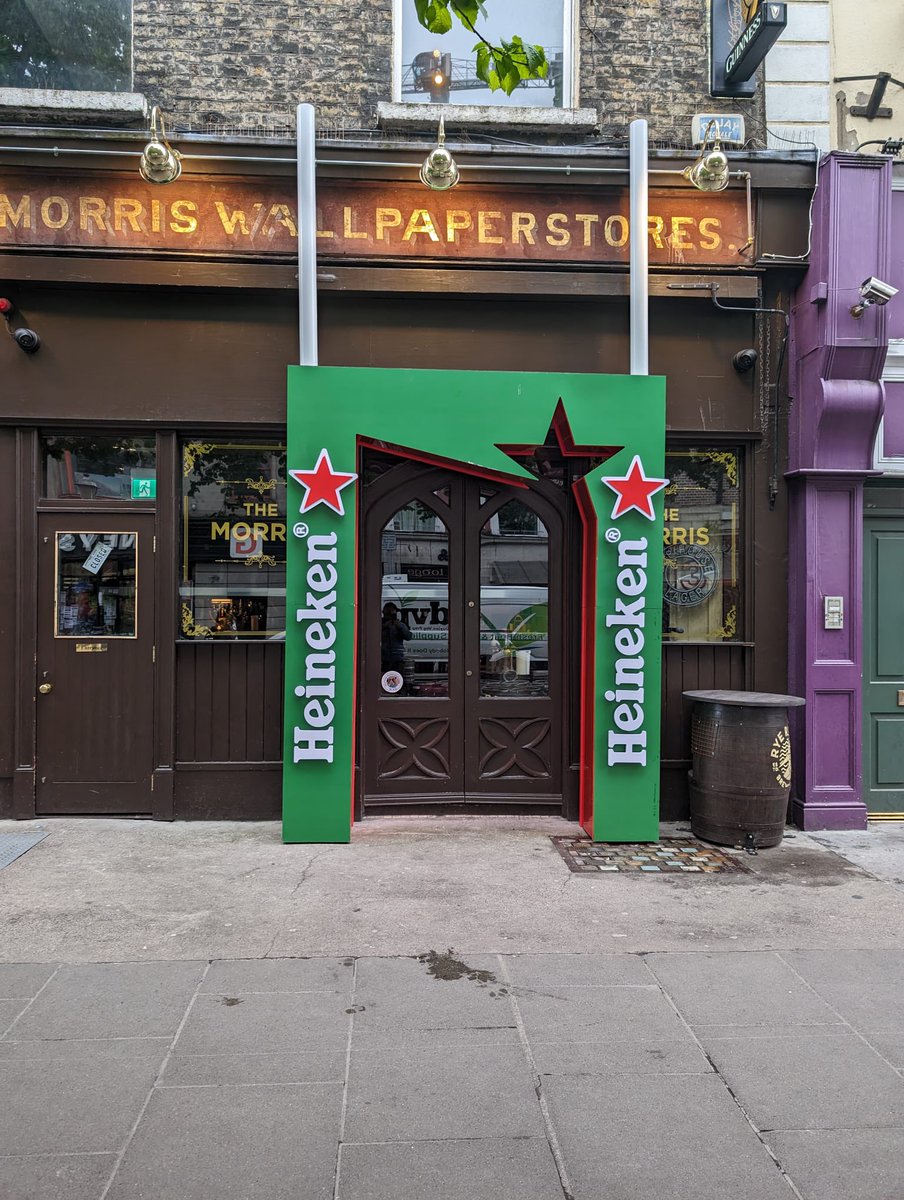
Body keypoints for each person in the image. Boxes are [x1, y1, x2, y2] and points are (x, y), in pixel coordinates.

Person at [381, 602, 411, 672]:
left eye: (393, 613)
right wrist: (384, 626)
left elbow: (408, 636)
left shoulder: (399, 624)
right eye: (388, 613)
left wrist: (399, 626)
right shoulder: (379, 623)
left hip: (397, 658)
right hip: (384, 657)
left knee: (398, 678)